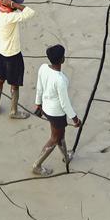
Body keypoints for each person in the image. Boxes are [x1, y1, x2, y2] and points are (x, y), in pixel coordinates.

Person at [31, 44, 81, 176]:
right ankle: (37, 165)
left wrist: (38, 104)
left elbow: (39, 87)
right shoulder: (61, 79)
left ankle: (66, 156)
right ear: (62, 59)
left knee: (60, 135)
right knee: (54, 138)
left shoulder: (43, 68)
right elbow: (65, 104)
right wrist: (75, 119)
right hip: (56, 113)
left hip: (46, 108)